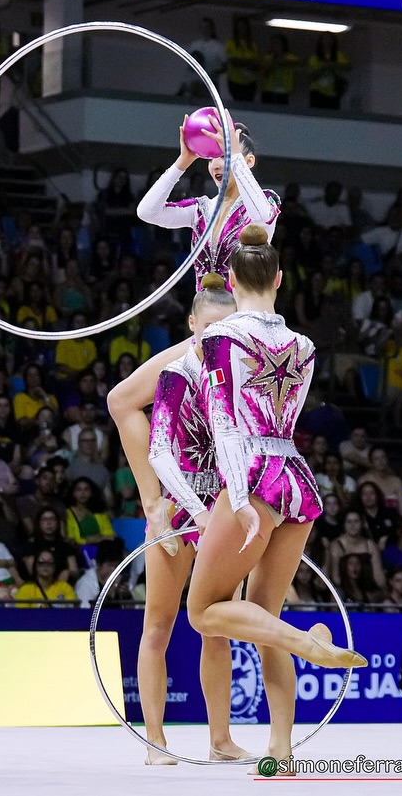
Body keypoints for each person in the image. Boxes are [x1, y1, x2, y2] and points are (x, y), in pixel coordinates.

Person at [187, 224, 364, 770]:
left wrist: (237, 496)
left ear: (233, 279)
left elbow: (224, 421)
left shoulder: (220, 338)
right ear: (280, 280)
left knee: (203, 613)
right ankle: (282, 750)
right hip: (295, 474)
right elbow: (286, 416)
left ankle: (308, 645)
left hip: (253, 476)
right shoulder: (304, 345)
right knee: (265, 614)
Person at [110, 114, 277, 550]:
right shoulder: (201, 209)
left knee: (228, 433)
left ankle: (236, 517)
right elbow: (147, 211)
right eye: (213, 156)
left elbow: (261, 217)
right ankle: (155, 507)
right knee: (121, 400)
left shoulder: (262, 208)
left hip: (243, 342)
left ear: (248, 159)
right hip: (203, 338)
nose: (219, 161)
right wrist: (183, 160)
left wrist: (235, 156)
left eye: (228, 153)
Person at [136, 282, 251, 764]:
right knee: (159, 624)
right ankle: (155, 740)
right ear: (191, 326)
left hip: (221, 507)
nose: (215, 338)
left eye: (225, 329)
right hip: (180, 508)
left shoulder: (240, 377)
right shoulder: (173, 375)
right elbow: (160, 452)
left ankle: (220, 739)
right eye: (208, 328)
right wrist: (193, 512)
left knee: (217, 627)